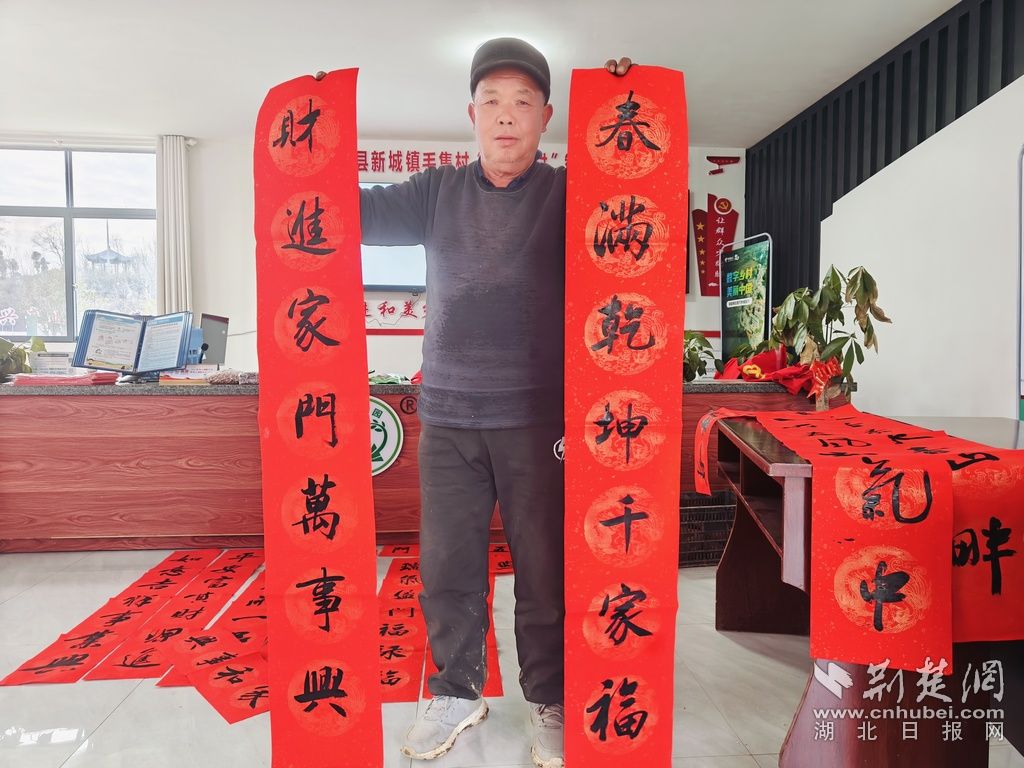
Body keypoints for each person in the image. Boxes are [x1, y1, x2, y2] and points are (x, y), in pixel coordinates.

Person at [325, 39, 631, 767]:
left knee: (544, 568)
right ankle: (456, 692)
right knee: (448, 567)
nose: (506, 116)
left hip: (536, 419)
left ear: (546, 118)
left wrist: (629, 100)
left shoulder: (569, 195)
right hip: (448, 418)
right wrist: (309, 135)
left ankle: (550, 698)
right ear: (471, 115)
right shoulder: (435, 192)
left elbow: (634, 202)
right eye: (492, 102)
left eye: (523, 103)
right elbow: (346, 212)